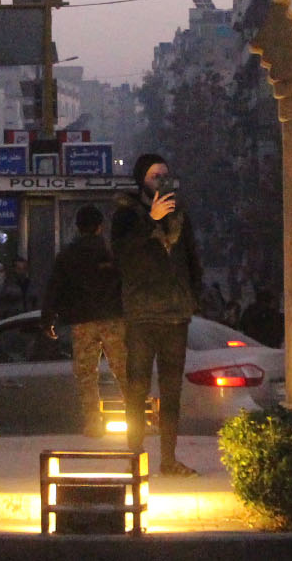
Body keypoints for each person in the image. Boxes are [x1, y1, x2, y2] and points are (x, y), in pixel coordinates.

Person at [112, 152, 203, 477]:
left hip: (175, 315)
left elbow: (191, 257)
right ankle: (135, 456)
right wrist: (150, 219)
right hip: (141, 314)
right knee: (137, 388)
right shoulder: (127, 215)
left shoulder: (179, 214)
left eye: (164, 175)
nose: (160, 181)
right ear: (141, 180)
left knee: (171, 392)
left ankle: (169, 458)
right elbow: (122, 255)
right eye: (154, 176)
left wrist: (195, 296)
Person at [42, 205, 129, 438]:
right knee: (123, 369)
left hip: (81, 321)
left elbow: (55, 288)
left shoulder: (68, 255)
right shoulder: (112, 253)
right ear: (100, 226)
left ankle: (93, 423)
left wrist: (48, 318)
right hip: (113, 318)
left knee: (86, 374)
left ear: (77, 227)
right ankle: (136, 418)